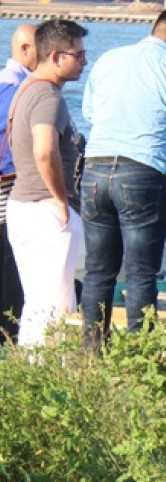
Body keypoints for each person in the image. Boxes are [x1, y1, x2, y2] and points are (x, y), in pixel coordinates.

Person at [81, 7, 166, 347]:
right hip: (142, 172)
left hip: (94, 168)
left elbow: (89, 113)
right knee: (140, 274)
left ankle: (90, 358)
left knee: (98, 272)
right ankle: (139, 359)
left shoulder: (109, 59)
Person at [5, 19, 87, 347]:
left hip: (22, 205)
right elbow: (44, 150)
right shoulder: (47, 97)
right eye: (78, 55)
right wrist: (60, 198)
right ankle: (50, 377)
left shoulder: (26, 89)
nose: (84, 61)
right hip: (44, 209)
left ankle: (30, 374)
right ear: (55, 57)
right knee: (56, 304)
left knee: (36, 303)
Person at [0, 24, 36, 343]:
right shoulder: (18, 88)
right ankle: (9, 333)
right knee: (11, 262)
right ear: (25, 50)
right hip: (8, 186)